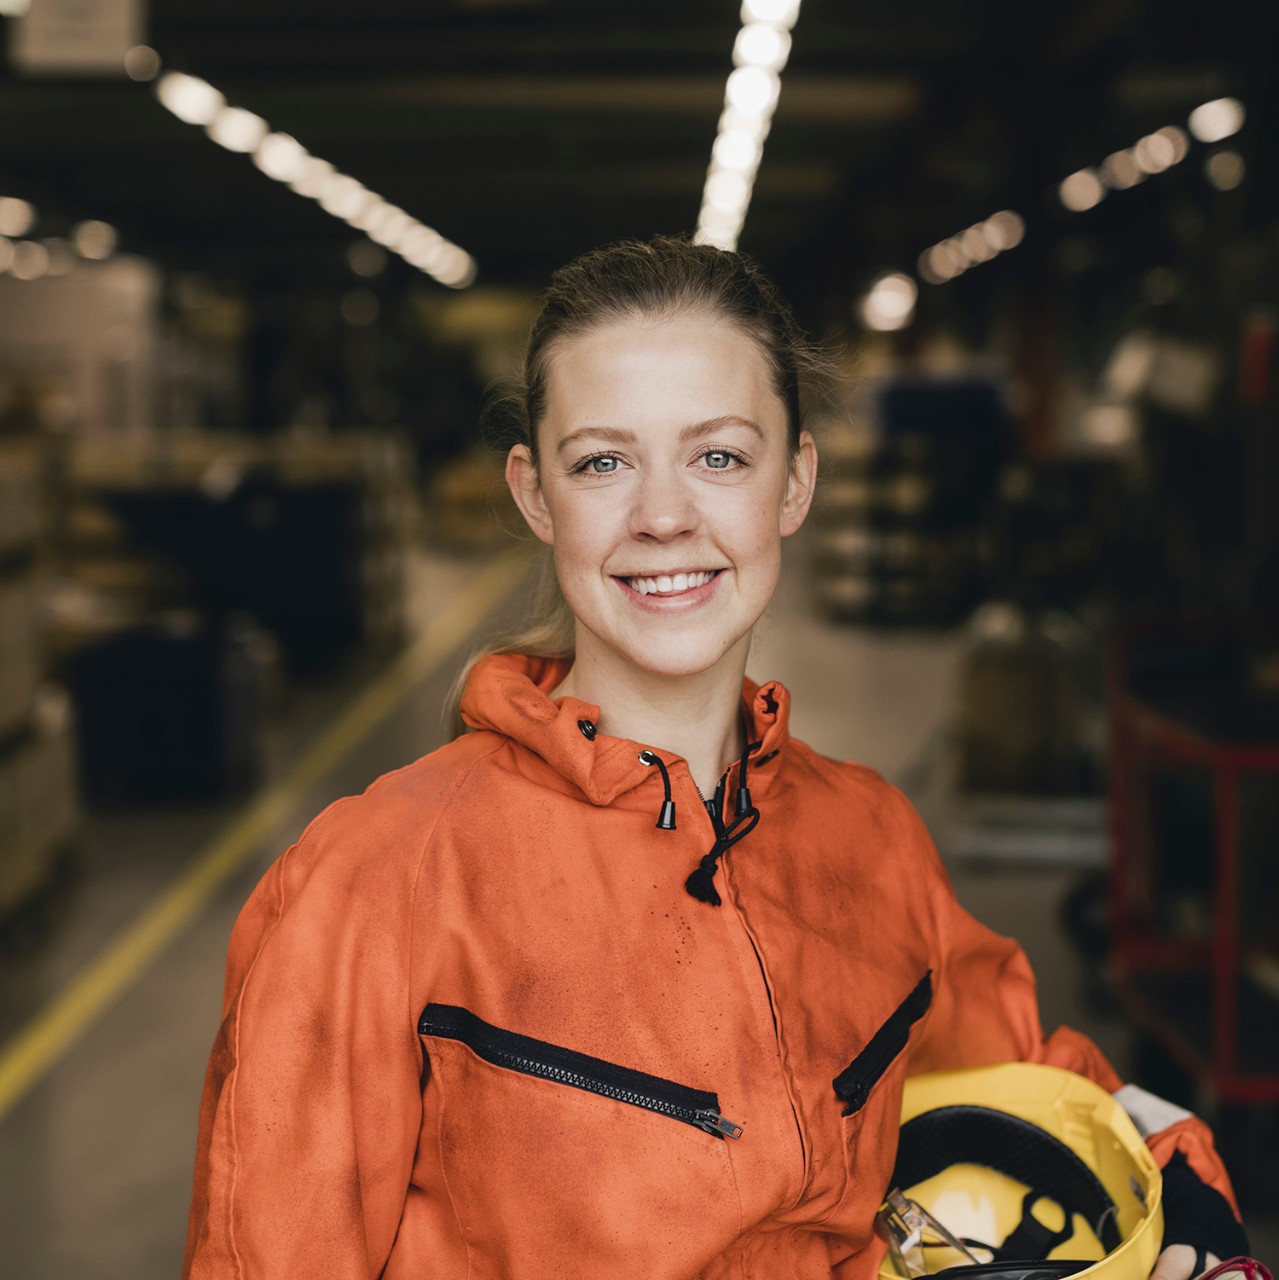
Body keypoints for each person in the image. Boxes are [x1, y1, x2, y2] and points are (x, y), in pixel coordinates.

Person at [183, 236, 1248, 1279]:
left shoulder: (867, 837)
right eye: (603, 461)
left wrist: (1182, 1190)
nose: (661, 515)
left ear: (793, 484)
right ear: (534, 494)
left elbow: (1022, 1080)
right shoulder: (374, 883)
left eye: (720, 456)